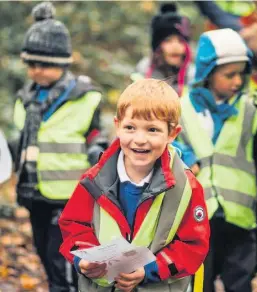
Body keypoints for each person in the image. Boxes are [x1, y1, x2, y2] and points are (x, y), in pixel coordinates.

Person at [59, 78, 210, 292]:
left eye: (152, 130)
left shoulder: (187, 187)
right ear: (117, 126)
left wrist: (149, 269)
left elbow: (193, 245)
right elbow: (73, 225)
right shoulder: (94, 179)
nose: (139, 139)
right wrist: (84, 257)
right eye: (130, 127)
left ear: (172, 134)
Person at [13, 2, 107, 292]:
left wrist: (98, 155)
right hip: (34, 193)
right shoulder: (26, 98)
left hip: (69, 198)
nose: (36, 71)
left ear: (62, 63)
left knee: (62, 263)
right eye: (31, 64)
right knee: (43, 253)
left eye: (43, 64)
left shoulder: (84, 97)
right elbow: (23, 143)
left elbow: (98, 138)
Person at [178, 28, 257, 292]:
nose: (237, 81)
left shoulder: (251, 108)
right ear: (207, 74)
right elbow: (168, 143)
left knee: (240, 283)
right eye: (229, 74)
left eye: (241, 73)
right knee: (198, 285)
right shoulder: (182, 107)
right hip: (196, 219)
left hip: (240, 219)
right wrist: (184, 155)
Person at [131, 3, 192, 97]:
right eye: (168, 41)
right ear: (157, 47)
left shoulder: (193, 76)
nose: (175, 46)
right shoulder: (143, 72)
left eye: (180, 41)